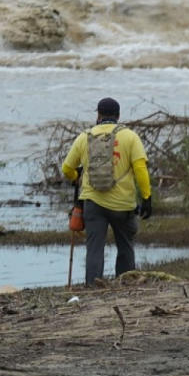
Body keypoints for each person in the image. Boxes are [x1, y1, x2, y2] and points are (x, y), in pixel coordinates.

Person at [60, 97, 153, 286]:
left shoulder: (85, 136)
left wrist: (77, 177)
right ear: (118, 115)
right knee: (125, 246)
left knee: (94, 249)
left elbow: (67, 168)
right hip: (123, 204)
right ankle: (126, 283)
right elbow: (140, 169)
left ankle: (93, 286)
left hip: (93, 203)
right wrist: (146, 197)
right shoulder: (130, 137)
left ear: (98, 115)